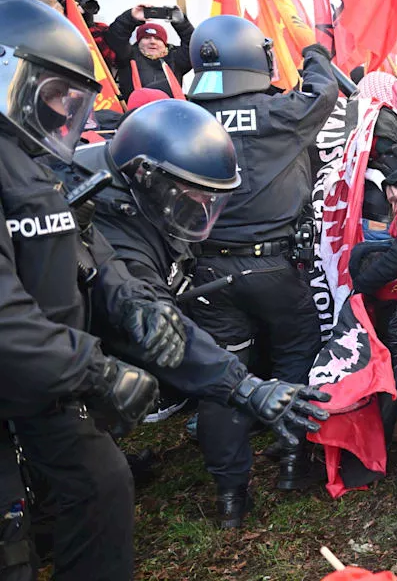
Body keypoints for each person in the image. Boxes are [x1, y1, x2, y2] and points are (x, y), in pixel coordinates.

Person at [74, 100, 332, 525]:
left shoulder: (140, 200)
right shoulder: (108, 210)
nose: (200, 210)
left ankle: (232, 495)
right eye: (190, 198)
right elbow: (134, 292)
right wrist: (245, 386)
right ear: (147, 178)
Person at [0, 0, 173, 581]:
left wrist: (136, 307)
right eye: (52, 94)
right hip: (36, 367)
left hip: (39, 379)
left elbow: (85, 258)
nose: (60, 116)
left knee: (99, 486)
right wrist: (97, 371)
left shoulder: (27, 163)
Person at [183, 15, 339, 526]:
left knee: (224, 377)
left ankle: (231, 498)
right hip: (275, 266)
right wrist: (315, 52)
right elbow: (323, 92)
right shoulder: (279, 113)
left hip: (207, 272)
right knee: (296, 351)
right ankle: (293, 461)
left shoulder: (186, 116)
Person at [105, 4, 194, 99]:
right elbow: (116, 37)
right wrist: (131, 17)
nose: (152, 42)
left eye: (157, 39)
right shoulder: (128, 55)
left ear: (165, 43)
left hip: (171, 111)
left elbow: (194, 46)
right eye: (146, 38)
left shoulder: (175, 59)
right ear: (138, 42)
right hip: (135, 112)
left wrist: (182, 23)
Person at [53, 0, 113, 69]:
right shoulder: (58, 31)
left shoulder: (101, 28)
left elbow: (112, 57)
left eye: (79, 2)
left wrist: (89, 26)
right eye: (70, 4)